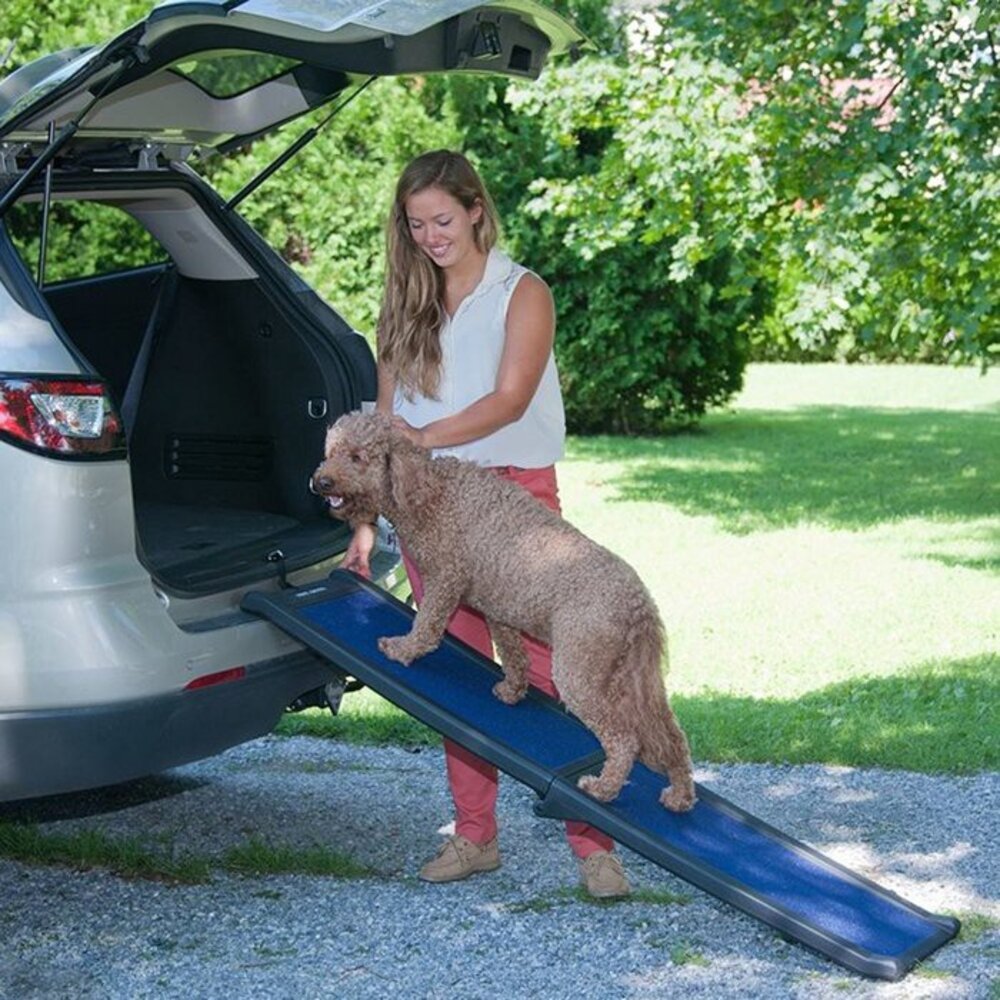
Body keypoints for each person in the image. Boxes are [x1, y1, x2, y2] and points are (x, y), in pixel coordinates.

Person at [343, 149, 629, 899]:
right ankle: (475, 836)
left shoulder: (522, 292)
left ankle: (596, 844)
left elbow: (509, 400)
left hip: (514, 500)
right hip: (430, 504)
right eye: (416, 225)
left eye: (443, 219)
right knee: (462, 672)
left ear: (476, 210)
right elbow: (382, 426)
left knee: (557, 669)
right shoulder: (404, 304)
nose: (431, 237)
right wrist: (366, 524)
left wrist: (422, 439)